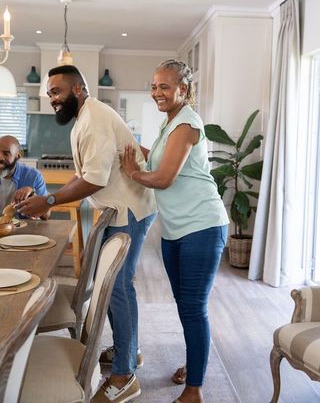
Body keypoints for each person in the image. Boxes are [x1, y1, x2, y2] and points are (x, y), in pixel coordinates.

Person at [16, 65, 157, 403]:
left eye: (57, 91)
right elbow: (90, 175)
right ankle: (129, 350)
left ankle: (125, 376)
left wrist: (47, 199)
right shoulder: (86, 117)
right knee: (110, 285)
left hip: (130, 211)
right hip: (118, 209)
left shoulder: (93, 119)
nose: (52, 98)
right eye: (49, 93)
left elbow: (93, 179)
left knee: (118, 288)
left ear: (78, 89)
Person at [120, 59, 229, 403]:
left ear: (183, 89)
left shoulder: (186, 123)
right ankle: (194, 364)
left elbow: (163, 179)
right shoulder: (170, 125)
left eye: (164, 86)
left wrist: (131, 172)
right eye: (154, 86)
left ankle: (194, 389)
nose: (157, 93)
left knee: (193, 306)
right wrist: (130, 144)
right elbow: (160, 162)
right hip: (177, 231)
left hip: (203, 226)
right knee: (185, 305)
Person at [0, 135, 49, 219]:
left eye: (6, 154)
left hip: (24, 229)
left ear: (18, 157)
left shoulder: (33, 176)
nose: (0, 157)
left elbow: (46, 216)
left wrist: (32, 193)